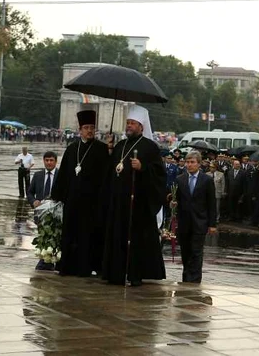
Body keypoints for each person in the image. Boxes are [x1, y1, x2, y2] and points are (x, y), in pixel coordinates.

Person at [102, 105, 166, 286]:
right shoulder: (120, 145)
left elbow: (160, 175)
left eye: (133, 123)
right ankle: (115, 273)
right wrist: (109, 151)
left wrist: (143, 168)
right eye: (128, 123)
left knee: (136, 241)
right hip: (118, 204)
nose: (129, 126)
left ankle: (135, 274)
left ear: (141, 126)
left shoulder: (150, 147)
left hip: (138, 206)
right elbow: (112, 170)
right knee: (117, 238)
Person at [52, 111, 110, 277]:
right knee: (70, 234)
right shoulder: (72, 149)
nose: (89, 131)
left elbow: (106, 176)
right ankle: (68, 266)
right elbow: (63, 174)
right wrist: (56, 196)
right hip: (72, 201)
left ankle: (86, 267)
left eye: (92, 127)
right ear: (80, 130)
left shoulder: (101, 149)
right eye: (86, 128)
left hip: (92, 203)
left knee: (88, 236)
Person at [170, 151, 217, 283]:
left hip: (199, 222)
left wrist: (212, 225)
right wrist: (173, 204)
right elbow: (176, 199)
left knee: (196, 252)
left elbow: (211, 204)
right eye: (187, 162)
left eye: (192, 162)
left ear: (199, 164)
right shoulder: (180, 179)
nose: (189, 165)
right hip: (184, 222)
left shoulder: (206, 180)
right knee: (186, 252)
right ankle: (186, 278)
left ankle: (194, 280)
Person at [28, 151, 59, 271]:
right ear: (43, 161)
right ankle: (44, 260)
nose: (49, 162)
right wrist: (34, 201)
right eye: (47, 160)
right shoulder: (38, 175)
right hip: (41, 214)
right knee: (42, 236)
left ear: (55, 162)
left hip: (56, 213)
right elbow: (30, 192)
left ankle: (52, 260)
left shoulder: (61, 175)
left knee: (55, 236)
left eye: (51, 160)